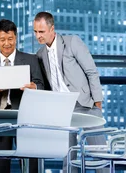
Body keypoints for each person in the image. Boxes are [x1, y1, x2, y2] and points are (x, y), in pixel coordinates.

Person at [33, 11, 105, 173]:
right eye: (35, 32)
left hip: (85, 103)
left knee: (98, 150)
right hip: (62, 108)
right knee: (68, 153)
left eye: (41, 31)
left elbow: (91, 72)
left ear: (52, 29)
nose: (38, 36)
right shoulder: (40, 55)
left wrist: (97, 102)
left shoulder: (72, 42)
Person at [0, 19, 44, 173]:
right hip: (0, 119)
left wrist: (33, 87)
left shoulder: (30, 60)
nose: (7, 43)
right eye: (2, 40)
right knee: (1, 165)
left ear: (16, 38)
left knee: (30, 165)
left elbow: (41, 85)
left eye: (10, 39)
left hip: (24, 117)